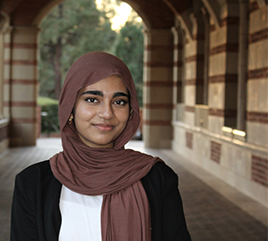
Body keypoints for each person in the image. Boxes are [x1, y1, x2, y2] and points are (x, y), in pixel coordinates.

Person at [11, 52, 191, 241]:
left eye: (119, 102)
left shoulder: (157, 178)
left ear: (130, 111)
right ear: (70, 107)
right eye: (92, 99)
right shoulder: (33, 183)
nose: (107, 113)